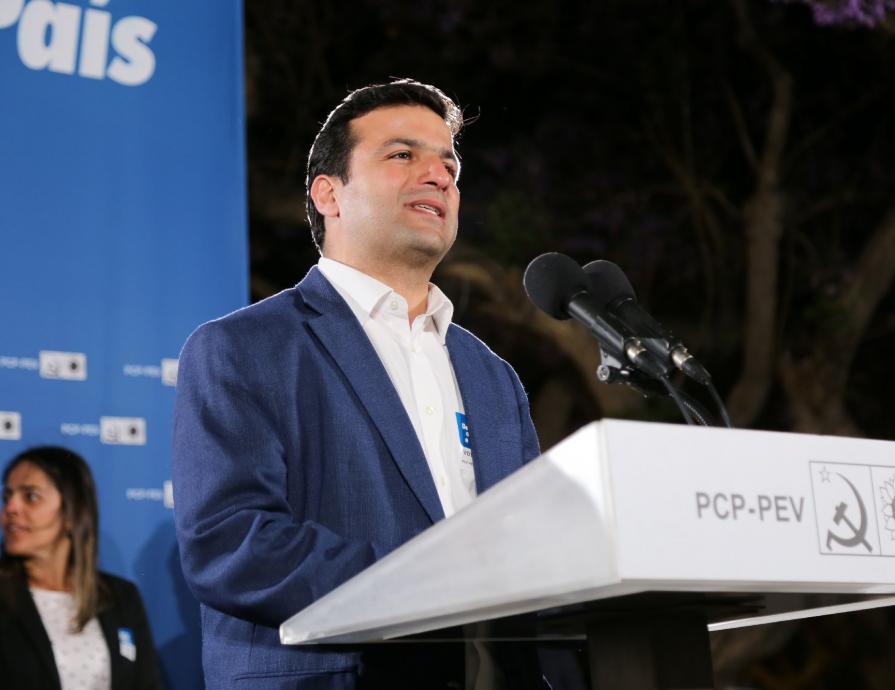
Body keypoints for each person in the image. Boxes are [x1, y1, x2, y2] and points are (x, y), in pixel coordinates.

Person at [172, 79, 543, 689]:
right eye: (403, 154)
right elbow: (230, 543)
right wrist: (429, 583)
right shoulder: (245, 348)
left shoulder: (493, 376)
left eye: (450, 166)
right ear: (329, 194)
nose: (439, 176)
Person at [0, 446, 163, 690]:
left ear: (71, 512)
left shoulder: (122, 596)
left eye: (31, 496)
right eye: (7, 497)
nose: (11, 509)